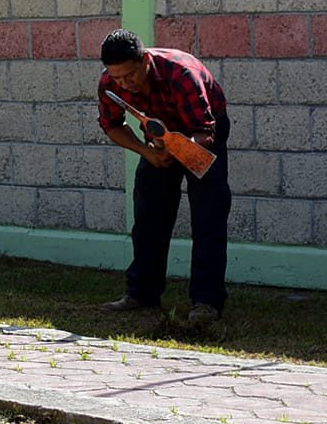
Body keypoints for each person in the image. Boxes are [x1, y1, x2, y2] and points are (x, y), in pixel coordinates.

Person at [94, 29, 231, 327]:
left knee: (209, 215)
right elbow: (112, 124)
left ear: (145, 60)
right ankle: (141, 293)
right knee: (149, 215)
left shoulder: (182, 74)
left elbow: (205, 131)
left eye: (129, 76)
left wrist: (181, 151)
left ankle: (207, 302)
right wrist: (148, 152)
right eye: (116, 78)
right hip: (158, 138)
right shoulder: (110, 83)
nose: (124, 84)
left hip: (201, 134)